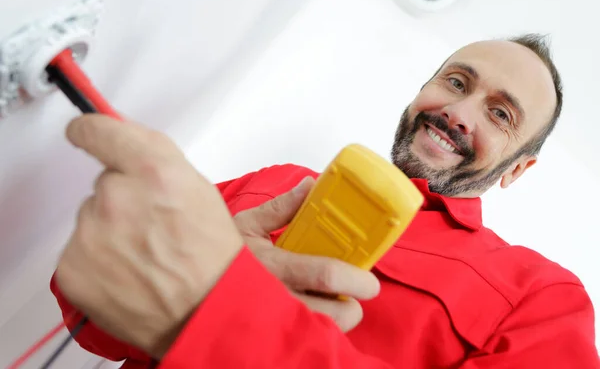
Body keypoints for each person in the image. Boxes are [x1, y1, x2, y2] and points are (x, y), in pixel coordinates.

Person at [50, 34, 599, 368]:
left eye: (500, 114)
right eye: (456, 82)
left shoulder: (543, 297)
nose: (461, 112)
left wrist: (216, 316)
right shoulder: (280, 182)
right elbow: (91, 321)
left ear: (519, 168)